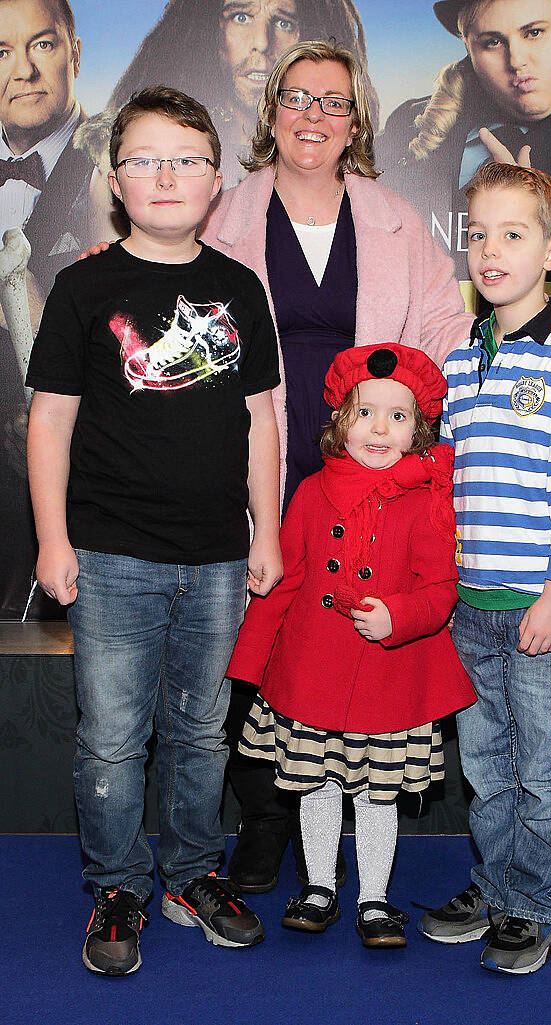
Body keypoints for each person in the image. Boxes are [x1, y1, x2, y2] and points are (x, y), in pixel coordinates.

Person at [199, 38, 476, 893]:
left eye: (333, 100)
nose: (313, 115)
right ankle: (265, 820)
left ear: (355, 120)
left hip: (370, 477)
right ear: (270, 112)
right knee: (259, 642)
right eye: (297, 97)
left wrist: (426, 444)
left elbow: (449, 339)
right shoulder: (222, 213)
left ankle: (356, 845)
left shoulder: (395, 219)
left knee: (350, 643)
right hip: (253, 463)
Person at [25, 86, 282, 975]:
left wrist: (268, 532)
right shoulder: (85, 285)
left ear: (216, 179)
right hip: (108, 552)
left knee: (202, 732)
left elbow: (261, 420)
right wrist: (53, 540)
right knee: (111, 736)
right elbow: (50, 419)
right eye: (143, 160)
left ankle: (189, 873)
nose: (165, 176)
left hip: (217, 556)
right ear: (113, 179)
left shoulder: (237, 287)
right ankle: (117, 885)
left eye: (186, 159)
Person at [418, 163, 551, 973]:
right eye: (476, 234)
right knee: (486, 766)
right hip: (471, 604)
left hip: (542, 604)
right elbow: (451, 480)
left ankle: (535, 904)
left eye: (512, 233)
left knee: (544, 768)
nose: (488, 250)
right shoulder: (464, 358)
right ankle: (496, 885)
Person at [227, 342, 476, 946]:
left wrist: (401, 615)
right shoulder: (312, 491)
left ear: (419, 429)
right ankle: (318, 888)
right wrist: (251, 660)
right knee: (316, 785)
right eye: (366, 412)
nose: (380, 429)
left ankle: (373, 898)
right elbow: (285, 579)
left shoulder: (426, 498)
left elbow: (442, 587)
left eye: (398, 416)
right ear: (341, 420)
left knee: (375, 796)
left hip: (389, 676)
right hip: (312, 669)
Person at [376, 0, 551, 276]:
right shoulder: (411, 125)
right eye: (492, 42)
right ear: (468, 45)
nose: (516, 61)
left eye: (534, 33)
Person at [0, 0, 95, 618]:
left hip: (82, 477)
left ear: (75, 51)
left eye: (42, 45)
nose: (24, 71)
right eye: (0, 52)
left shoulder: (123, 164)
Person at [78, 0, 378, 192]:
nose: (261, 42)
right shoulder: (131, 151)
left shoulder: (334, 148)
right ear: (209, 29)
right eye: (241, 17)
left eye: (284, 22)